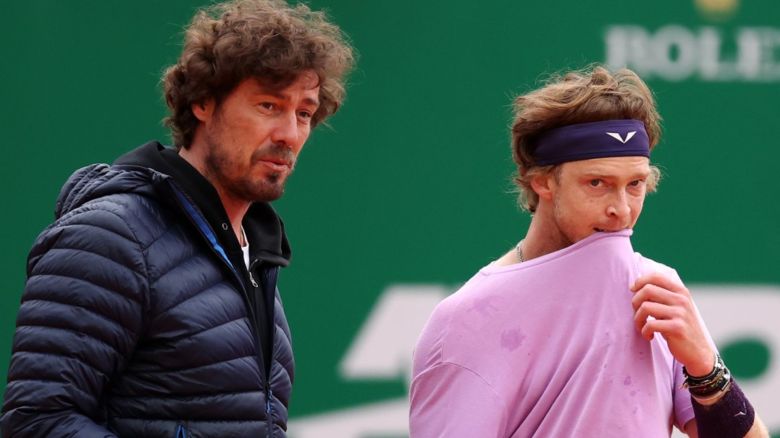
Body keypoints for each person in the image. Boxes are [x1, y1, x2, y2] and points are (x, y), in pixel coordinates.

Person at [1, 0, 353, 436]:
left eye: (304, 113)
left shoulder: (253, 256)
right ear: (203, 102)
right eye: (268, 105)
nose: (289, 134)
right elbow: (36, 421)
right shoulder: (111, 237)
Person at [409, 66, 768, 437]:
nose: (622, 210)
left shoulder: (657, 291)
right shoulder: (464, 323)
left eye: (635, 184)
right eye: (597, 183)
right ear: (543, 181)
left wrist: (704, 367)